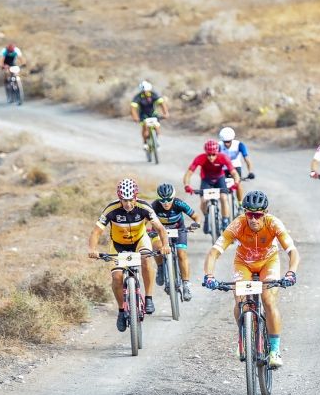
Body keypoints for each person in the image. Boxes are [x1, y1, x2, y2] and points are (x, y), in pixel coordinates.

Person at [202, 190, 299, 368]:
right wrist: (209, 275)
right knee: (241, 301)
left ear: (265, 213)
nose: (253, 219)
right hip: (244, 263)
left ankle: (275, 350)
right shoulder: (238, 225)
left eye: (257, 215)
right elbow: (214, 252)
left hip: (268, 262)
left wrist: (291, 272)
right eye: (249, 214)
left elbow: (292, 251)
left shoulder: (273, 223)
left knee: (268, 301)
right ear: (244, 213)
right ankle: (243, 337)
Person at [87, 179, 171, 331]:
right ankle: (121, 311)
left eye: (131, 199)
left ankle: (149, 298)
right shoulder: (111, 209)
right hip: (118, 245)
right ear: (120, 198)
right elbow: (96, 231)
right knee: (117, 277)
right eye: (124, 200)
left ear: (135, 197)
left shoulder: (144, 207)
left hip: (140, 240)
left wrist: (165, 245)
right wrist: (92, 249)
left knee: (146, 259)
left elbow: (160, 228)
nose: (128, 204)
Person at [149, 183, 201, 302]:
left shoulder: (178, 203)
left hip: (178, 230)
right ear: (158, 199)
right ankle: (161, 267)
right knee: (156, 247)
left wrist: (196, 224)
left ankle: (186, 284)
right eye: (163, 200)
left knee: (181, 253)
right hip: (159, 231)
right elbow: (145, 221)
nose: (166, 203)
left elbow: (196, 216)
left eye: (169, 199)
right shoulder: (154, 206)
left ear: (173, 197)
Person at [183, 139, 241, 231]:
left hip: (219, 179)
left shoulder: (223, 157)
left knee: (223, 197)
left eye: (213, 154)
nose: (211, 157)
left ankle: (225, 221)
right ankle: (206, 218)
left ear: (217, 153)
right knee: (203, 200)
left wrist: (236, 182)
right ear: (206, 153)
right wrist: (187, 185)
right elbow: (188, 174)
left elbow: (234, 172)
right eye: (208, 154)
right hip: (206, 179)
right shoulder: (200, 158)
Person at [219, 126, 255, 204]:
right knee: (221, 186)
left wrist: (250, 172)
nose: (227, 144)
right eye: (225, 142)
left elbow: (247, 159)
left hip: (235, 166)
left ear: (232, 139)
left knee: (238, 183)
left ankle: (240, 203)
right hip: (223, 167)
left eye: (229, 141)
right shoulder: (218, 145)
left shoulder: (239, 145)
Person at [130, 81, 169, 150]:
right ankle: (145, 143)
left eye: (147, 91)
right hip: (143, 114)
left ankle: (155, 141)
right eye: (144, 91)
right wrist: (135, 117)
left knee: (157, 127)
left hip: (153, 113)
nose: (146, 92)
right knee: (145, 128)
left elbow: (162, 103)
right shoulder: (138, 97)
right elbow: (133, 108)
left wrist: (165, 113)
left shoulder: (153, 94)